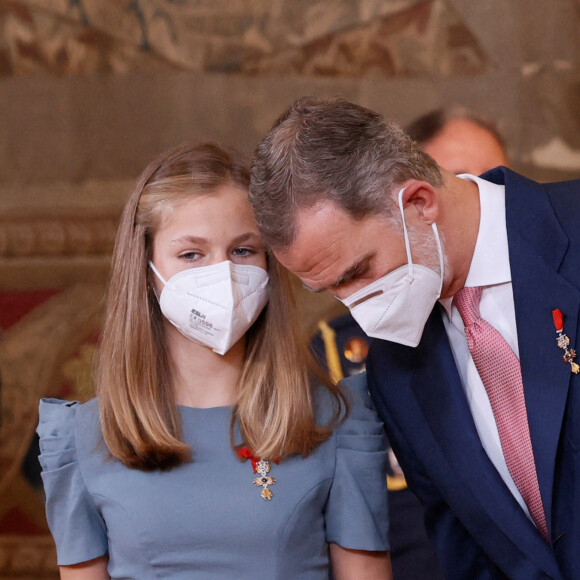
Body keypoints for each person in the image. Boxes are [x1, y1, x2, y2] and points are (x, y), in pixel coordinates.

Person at [249, 97, 580, 579]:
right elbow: (469, 553)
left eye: (358, 271)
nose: (355, 304)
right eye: (331, 290)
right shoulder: (395, 372)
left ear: (419, 203)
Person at [37, 142, 392, 580]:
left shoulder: (335, 421)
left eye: (243, 250)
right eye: (191, 254)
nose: (222, 273)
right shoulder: (84, 438)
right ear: (148, 271)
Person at [309, 105, 510, 579]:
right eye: (457, 179)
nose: (473, 199)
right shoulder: (345, 351)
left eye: (493, 182)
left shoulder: (551, 311)